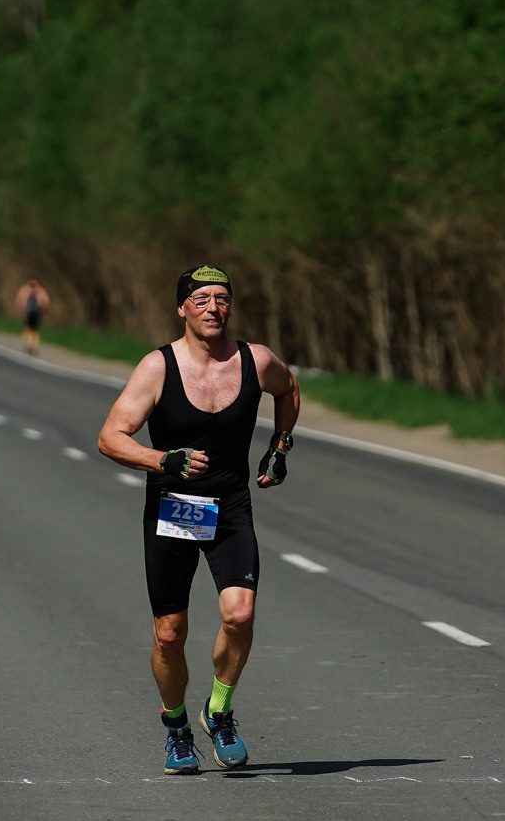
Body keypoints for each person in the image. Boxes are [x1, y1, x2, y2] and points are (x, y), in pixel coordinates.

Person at [96, 266, 300, 773]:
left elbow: (289, 388)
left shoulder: (256, 360)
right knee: (169, 634)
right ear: (182, 308)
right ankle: (176, 726)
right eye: (202, 299)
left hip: (229, 505)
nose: (214, 307)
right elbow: (111, 437)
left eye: (222, 299)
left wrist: (279, 445)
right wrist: (161, 459)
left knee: (241, 614)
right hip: (174, 508)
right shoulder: (158, 367)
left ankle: (220, 710)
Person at [17, 278, 50, 356]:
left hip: (28, 313)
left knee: (28, 329)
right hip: (37, 313)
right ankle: (34, 346)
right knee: (35, 330)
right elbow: (46, 302)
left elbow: (19, 301)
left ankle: (29, 345)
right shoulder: (41, 291)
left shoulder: (25, 290)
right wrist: (43, 312)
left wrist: (21, 311)